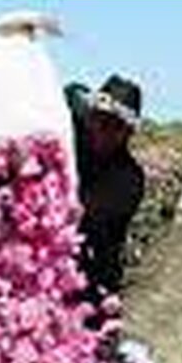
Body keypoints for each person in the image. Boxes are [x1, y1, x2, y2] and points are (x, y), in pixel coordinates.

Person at [67, 75, 146, 306]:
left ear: (128, 133)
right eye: (100, 120)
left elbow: (83, 216)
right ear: (89, 116)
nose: (104, 130)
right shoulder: (79, 136)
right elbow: (70, 90)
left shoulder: (129, 180)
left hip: (92, 280)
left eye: (116, 126)